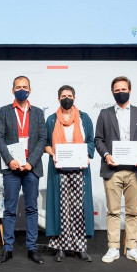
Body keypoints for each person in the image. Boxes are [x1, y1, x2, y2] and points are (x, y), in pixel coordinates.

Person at [94, 76, 137, 264]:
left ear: (130, 90)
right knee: (112, 211)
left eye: (123, 89)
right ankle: (113, 248)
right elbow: (98, 139)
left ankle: (132, 248)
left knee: (133, 212)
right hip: (112, 170)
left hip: (134, 170)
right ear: (112, 92)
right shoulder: (104, 114)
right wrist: (106, 155)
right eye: (117, 90)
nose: (120, 92)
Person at [0, 76, 47, 265]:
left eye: (24, 87)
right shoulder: (5, 112)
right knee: (9, 209)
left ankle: (32, 248)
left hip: (31, 169)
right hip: (12, 169)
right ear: (12, 90)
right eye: (18, 87)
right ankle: (7, 249)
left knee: (32, 209)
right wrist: (10, 160)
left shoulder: (39, 113)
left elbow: (42, 139)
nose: (21, 90)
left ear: (30, 90)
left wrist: (31, 162)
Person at [44, 85, 95, 262]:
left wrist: (87, 154)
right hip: (59, 169)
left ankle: (80, 248)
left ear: (74, 97)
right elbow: (45, 143)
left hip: (80, 169)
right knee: (61, 207)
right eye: (64, 96)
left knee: (78, 208)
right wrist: (54, 154)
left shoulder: (84, 118)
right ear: (58, 98)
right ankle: (60, 247)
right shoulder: (51, 119)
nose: (67, 98)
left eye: (70, 95)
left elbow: (90, 141)